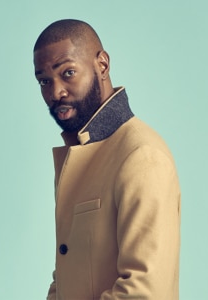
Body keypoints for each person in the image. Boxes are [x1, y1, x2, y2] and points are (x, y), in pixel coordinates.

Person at [33, 19, 181, 300]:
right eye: (44, 81)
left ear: (102, 65)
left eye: (69, 72)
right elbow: (65, 276)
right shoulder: (80, 154)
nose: (55, 92)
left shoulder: (142, 156)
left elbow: (146, 292)